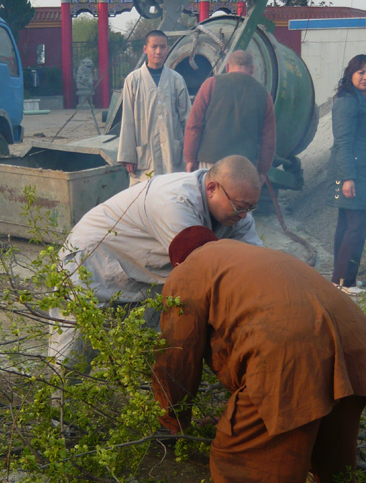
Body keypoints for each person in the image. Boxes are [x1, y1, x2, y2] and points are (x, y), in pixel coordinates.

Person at [152, 227, 366, 483]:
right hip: (355, 336)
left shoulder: (187, 271)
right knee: (329, 444)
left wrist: (173, 415)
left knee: (236, 463)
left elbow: (177, 351)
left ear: (178, 260)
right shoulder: (246, 257)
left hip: (291, 348)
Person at [49, 155, 263, 368]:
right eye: (240, 207)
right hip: (93, 264)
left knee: (150, 349)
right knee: (73, 355)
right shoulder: (174, 200)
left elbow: (255, 264)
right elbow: (204, 271)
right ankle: (61, 400)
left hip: (142, 272)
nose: (245, 216)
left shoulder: (238, 214)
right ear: (211, 188)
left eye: (250, 209)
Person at [327, 55, 366, 296]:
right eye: (361, 73)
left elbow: (360, 135)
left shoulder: (362, 99)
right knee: (358, 225)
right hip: (350, 171)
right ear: (350, 74)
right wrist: (347, 178)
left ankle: (340, 279)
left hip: (358, 169)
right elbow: (343, 140)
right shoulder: (346, 102)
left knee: (346, 224)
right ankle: (344, 282)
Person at [183, 50, 276, 184]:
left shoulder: (211, 84)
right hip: (242, 166)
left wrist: (190, 159)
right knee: (235, 204)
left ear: (227, 67)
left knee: (208, 202)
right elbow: (268, 140)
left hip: (209, 162)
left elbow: (194, 125)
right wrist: (262, 171)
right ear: (252, 69)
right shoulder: (264, 95)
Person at [117, 30, 191, 186]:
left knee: (172, 193)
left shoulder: (176, 80)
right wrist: (128, 156)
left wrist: (191, 153)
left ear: (167, 49)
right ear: (145, 49)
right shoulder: (133, 80)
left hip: (173, 151)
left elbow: (187, 118)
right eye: (154, 47)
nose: (158, 51)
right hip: (144, 154)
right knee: (144, 198)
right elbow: (127, 121)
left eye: (163, 47)